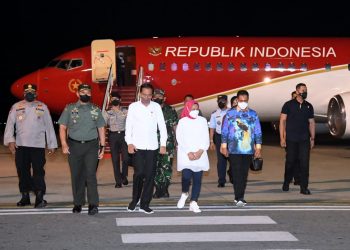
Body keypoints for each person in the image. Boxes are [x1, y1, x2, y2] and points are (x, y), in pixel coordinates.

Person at [3, 83, 57, 208]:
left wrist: (51, 144)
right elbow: (10, 125)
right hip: (21, 146)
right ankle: (25, 196)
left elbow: (49, 126)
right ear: (23, 93)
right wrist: (10, 141)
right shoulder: (16, 106)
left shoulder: (42, 106)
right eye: (27, 92)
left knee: (39, 172)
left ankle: (39, 197)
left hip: (37, 146)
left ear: (36, 93)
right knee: (22, 171)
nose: (29, 93)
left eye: (32, 92)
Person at [58, 83, 106, 215]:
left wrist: (102, 147)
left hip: (91, 146)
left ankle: (93, 204)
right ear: (77, 94)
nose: (86, 94)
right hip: (74, 146)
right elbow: (62, 127)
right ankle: (78, 203)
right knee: (76, 175)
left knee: (91, 175)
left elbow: (101, 128)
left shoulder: (95, 109)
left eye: (88, 92)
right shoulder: (69, 109)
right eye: (83, 92)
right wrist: (63, 144)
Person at [125, 83, 167, 214]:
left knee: (149, 175)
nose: (146, 97)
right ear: (140, 93)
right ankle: (134, 200)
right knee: (139, 174)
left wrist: (163, 144)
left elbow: (162, 126)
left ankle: (144, 204)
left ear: (152, 95)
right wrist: (129, 143)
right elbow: (128, 126)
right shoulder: (133, 107)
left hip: (153, 147)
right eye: (144, 95)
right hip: (137, 147)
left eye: (149, 95)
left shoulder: (156, 107)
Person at [220, 89, 262, 207]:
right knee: (237, 173)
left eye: (245, 100)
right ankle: (240, 197)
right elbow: (224, 131)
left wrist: (258, 148)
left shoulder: (253, 114)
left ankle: (238, 196)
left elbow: (257, 131)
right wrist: (224, 146)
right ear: (237, 100)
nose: (243, 102)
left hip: (248, 149)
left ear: (248, 100)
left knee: (244, 174)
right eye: (241, 100)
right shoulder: (230, 114)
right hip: (233, 149)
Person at [279, 83, 315, 195]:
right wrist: (282, 138)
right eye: (303, 90)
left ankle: (304, 188)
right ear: (297, 91)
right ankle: (286, 182)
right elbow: (282, 121)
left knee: (305, 163)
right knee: (290, 162)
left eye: (306, 90)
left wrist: (312, 138)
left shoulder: (309, 106)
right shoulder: (288, 105)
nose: (305, 92)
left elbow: (312, 122)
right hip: (291, 139)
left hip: (304, 139)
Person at [176, 100, 210, 213]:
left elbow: (206, 137)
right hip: (186, 154)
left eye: (197, 109)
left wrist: (200, 151)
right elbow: (179, 138)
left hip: (200, 153)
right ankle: (184, 193)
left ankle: (193, 201)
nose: (195, 111)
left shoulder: (203, 121)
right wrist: (188, 152)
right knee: (186, 176)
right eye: (192, 109)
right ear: (187, 109)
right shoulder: (182, 121)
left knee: (197, 179)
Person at [152, 88, 178, 198]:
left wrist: (177, 142)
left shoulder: (170, 110)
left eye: (160, 96)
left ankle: (165, 189)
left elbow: (175, 127)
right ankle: (158, 189)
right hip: (152, 144)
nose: (158, 98)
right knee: (155, 167)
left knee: (167, 167)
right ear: (153, 98)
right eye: (156, 96)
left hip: (168, 144)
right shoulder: (150, 110)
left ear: (164, 98)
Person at [103, 92, 129, 188]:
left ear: (120, 100)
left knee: (126, 158)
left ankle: (123, 176)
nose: (114, 100)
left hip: (123, 135)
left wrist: (117, 110)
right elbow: (104, 125)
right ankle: (118, 181)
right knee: (115, 159)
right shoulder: (107, 112)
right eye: (112, 99)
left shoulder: (125, 111)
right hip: (113, 136)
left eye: (116, 99)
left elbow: (128, 121)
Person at [209, 95, 230, 187]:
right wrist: (211, 141)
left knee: (233, 159)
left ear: (226, 101)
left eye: (223, 100)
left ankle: (232, 175)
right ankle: (221, 180)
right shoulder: (214, 113)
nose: (221, 102)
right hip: (219, 137)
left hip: (230, 137)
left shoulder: (231, 112)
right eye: (219, 101)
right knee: (221, 160)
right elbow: (212, 128)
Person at [225, 95, 238, 184]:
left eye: (238, 102)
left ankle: (236, 174)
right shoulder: (228, 114)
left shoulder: (247, 113)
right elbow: (225, 130)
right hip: (231, 143)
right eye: (234, 103)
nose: (236, 104)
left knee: (241, 163)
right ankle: (233, 175)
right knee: (234, 162)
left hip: (242, 142)